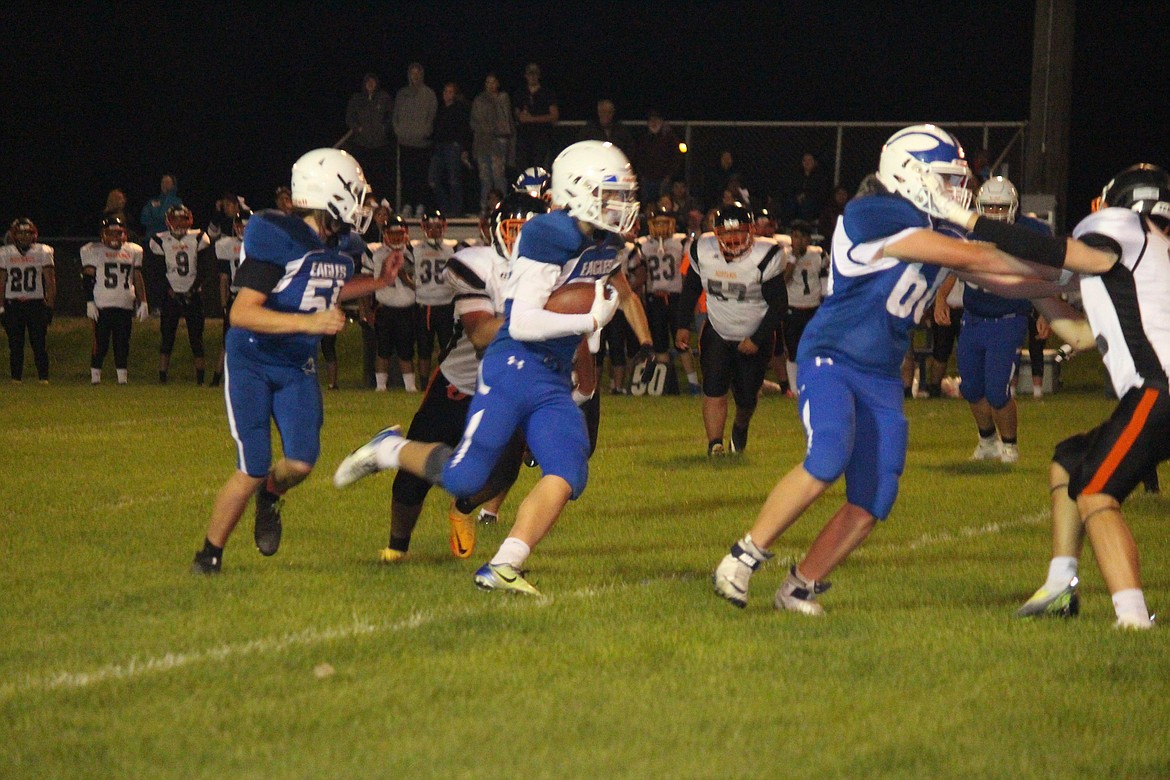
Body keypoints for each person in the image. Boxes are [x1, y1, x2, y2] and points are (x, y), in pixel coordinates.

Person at [709, 124, 1118, 615]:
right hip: (834, 357)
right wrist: (1073, 269)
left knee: (875, 496)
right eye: (946, 179)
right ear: (912, 175)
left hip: (881, 373)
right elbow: (977, 255)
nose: (955, 191)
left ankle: (800, 584)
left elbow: (999, 277)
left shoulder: (934, 227)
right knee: (829, 455)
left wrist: (1070, 299)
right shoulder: (871, 213)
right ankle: (742, 557)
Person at [335, 140, 644, 596]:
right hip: (514, 365)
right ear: (579, 191)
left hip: (554, 375)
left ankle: (504, 564)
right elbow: (521, 321)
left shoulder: (607, 241)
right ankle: (389, 449)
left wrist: (584, 361)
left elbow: (598, 292)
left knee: (569, 466)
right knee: (465, 477)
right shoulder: (549, 234)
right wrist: (590, 318)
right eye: (612, 194)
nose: (622, 206)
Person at [191, 148, 400, 574]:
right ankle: (209, 554)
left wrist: (379, 282)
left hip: (296, 366)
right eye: (355, 194)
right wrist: (310, 324)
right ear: (331, 193)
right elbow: (242, 312)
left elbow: (322, 287)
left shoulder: (341, 243)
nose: (362, 204)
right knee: (251, 465)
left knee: (302, 462)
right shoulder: (277, 235)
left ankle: (271, 496)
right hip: (252, 357)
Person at [1017, 164, 1170, 629]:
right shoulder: (1151, 260)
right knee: (1071, 458)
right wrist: (1039, 294)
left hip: (1158, 390)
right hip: (1156, 391)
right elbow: (1084, 335)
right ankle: (1061, 585)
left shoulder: (1117, 231)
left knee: (1097, 491)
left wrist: (980, 251)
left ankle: (1132, 616)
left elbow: (1056, 260)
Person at [379, 192, 549, 563]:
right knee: (414, 478)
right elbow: (480, 334)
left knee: (504, 471)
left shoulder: (556, 271)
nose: (523, 240)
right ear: (498, 232)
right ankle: (397, 546)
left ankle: (463, 507)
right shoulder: (477, 264)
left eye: (533, 232)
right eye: (515, 230)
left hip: (509, 388)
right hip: (460, 384)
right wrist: (539, 316)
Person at [949, 175, 1050, 462]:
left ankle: (1010, 445)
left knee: (997, 390)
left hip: (1008, 318)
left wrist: (1045, 312)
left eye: (1000, 207)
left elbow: (1048, 273)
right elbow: (955, 264)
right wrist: (942, 297)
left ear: (1014, 207)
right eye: (989, 207)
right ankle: (987, 440)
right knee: (970, 387)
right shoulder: (968, 229)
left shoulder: (1029, 233)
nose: (994, 213)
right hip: (973, 317)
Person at [675, 202, 786, 455]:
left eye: (739, 232)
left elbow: (779, 305)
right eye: (726, 232)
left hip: (754, 334)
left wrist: (757, 339)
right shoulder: (702, 250)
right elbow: (692, 288)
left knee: (746, 398)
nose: (733, 238)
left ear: (751, 232)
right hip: (717, 331)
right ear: (716, 234)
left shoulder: (766, 255)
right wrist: (682, 324)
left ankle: (740, 426)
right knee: (714, 388)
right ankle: (715, 444)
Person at [147, 204, 212, 384]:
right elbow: (158, 272)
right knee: (167, 337)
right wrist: (171, 291)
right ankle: (162, 378)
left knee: (196, 338)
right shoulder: (159, 240)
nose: (180, 223)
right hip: (171, 294)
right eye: (176, 219)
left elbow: (204, 269)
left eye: (183, 219)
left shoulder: (199, 237)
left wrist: (192, 290)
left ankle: (200, 379)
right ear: (168, 221)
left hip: (193, 293)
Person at [639, 203, 699, 393]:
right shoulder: (644, 244)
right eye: (658, 222)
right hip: (654, 298)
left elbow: (688, 270)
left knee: (681, 342)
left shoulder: (681, 243)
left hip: (675, 298)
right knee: (660, 344)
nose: (662, 226)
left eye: (665, 222)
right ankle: (667, 383)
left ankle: (693, 383)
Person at [81, 217, 148, 384]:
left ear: (124, 234)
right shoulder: (93, 250)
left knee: (122, 344)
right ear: (103, 234)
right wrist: (89, 301)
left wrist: (143, 301)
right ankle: (95, 378)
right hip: (102, 305)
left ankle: (122, 380)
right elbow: (87, 278)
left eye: (118, 233)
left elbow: (137, 276)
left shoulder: (133, 250)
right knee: (100, 344)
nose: (115, 237)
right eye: (110, 233)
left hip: (124, 304)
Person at [364, 214, 418, 392]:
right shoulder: (375, 253)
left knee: (406, 351)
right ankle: (381, 387)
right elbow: (366, 283)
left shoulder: (413, 253)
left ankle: (410, 387)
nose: (396, 237)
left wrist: (405, 277)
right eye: (392, 233)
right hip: (384, 308)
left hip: (406, 309)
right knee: (382, 350)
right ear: (385, 234)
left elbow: (419, 286)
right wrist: (366, 310)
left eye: (399, 233)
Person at [0, 218, 56, 382]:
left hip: (35, 303)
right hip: (13, 303)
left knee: (39, 344)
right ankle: (16, 379)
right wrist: (1, 307)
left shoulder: (43, 251)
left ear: (34, 235)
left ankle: (43, 379)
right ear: (14, 235)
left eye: (28, 233)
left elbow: (50, 281)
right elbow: (1, 282)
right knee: (15, 345)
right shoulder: (5, 253)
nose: (24, 236)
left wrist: (50, 306)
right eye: (20, 233)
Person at [779, 220, 827, 395]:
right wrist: (794, 258)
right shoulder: (785, 255)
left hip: (813, 308)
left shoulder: (818, 255)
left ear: (808, 239)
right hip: (793, 307)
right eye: (794, 236)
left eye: (800, 236)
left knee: (815, 348)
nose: (796, 240)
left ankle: (814, 383)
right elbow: (784, 279)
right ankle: (794, 388)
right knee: (793, 349)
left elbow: (825, 280)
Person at [410, 209, 459, 381]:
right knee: (424, 348)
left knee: (446, 346)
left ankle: (445, 380)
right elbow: (407, 273)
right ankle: (424, 382)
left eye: (438, 227)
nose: (434, 231)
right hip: (425, 304)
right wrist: (415, 288)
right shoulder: (415, 249)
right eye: (430, 227)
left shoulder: (450, 249)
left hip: (445, 304)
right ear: (424, 228)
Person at [209, 210, 249, 388]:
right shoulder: (226, 245)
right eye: (241, 226)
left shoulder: (261, 245)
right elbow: (224, 279)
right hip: (236, 297)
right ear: (235, 226)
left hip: (252, 298)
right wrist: (224, 303)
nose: (244, 230)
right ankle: (216, 378)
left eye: (247, 226)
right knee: (227, 341)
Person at [392, 63, 437, 216]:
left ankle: (420, 205)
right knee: (406, 176)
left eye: (418, 73)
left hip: (422, 143)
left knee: (421, 176)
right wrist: (399, 132)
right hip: (405, 142)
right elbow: (395, 116)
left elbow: (432, 116)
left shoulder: (429, 94)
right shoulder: (402, 94)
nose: (415, 75)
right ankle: (407, 205)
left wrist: (425, 131)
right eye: (412, 73)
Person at [344, 73, 394, 201]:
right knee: (362, 176)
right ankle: (363, 201)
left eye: (373, 82)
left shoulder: (384, 98)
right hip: (362, 144)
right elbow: (349, 117)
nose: (370, 84)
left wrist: (384, 128)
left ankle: (379, 202)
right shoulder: (357, 99)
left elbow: (391, 115)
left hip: (380, 144)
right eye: (368, 82)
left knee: (379, 177)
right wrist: (357, 128)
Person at [470, 73, 513, 213]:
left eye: (493, 82)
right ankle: (485, 207)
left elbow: (506, 123)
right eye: (488, 82)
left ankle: (502, 207)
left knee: (499, 177)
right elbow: (474, 122)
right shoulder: (479, 100)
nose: (491, 85)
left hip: (499, 143)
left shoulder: (503, 98)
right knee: (485, 179)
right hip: (483, 144)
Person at [428, 82, 471, 217]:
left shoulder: (460, 109)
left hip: (453, 146)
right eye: (445, 91)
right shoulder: (440, 110)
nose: (447, 94)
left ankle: (456, 211)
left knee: (454, 180)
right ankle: (445, 208)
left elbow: (465, 130)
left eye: (450, 92)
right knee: (433, 179)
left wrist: (464, 148)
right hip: (439, 147)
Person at [514, 62, 559, 172]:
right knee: (524, 170)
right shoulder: (521, 92)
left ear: (539, 76)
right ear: (526, 76)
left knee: (539, 170)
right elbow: (517, 114)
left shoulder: (547, 92)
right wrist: (520, 116)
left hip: (542, 138)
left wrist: (532, 119)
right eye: (530, 74)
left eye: (534, 74)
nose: (532, 77)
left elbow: (554, 115)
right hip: (524, 139)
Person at [634, 109, 683, 205]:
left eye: (656, 120)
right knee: (647, 205)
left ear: (661, 122)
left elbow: (677, 158)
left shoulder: (670, 138)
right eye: (651, 120)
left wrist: (669, 176)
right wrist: (642, 174)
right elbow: (638, 157)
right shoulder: (644, 138)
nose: (653, 123)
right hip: (647, 180)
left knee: (664, 205)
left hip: (663, 180)